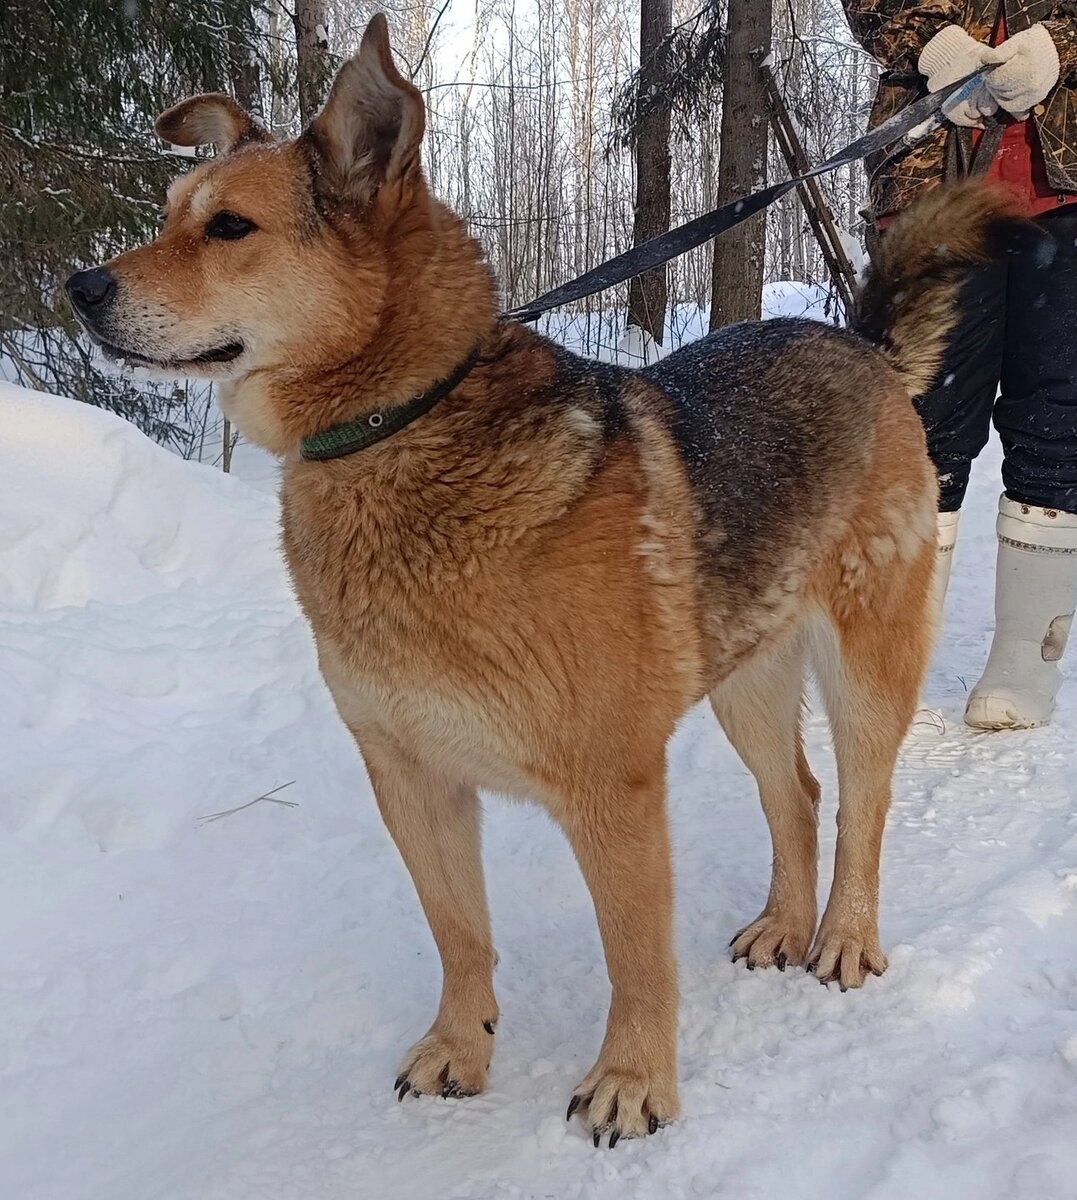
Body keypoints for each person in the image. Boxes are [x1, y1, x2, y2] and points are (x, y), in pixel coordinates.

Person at [841, 0, 1077, 729]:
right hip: (929, 175)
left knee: (1056, 415)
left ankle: (1022, 660)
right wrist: (928, 42)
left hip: (1063, 183)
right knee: (917, 422)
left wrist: (1058, 47)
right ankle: (889, 650)